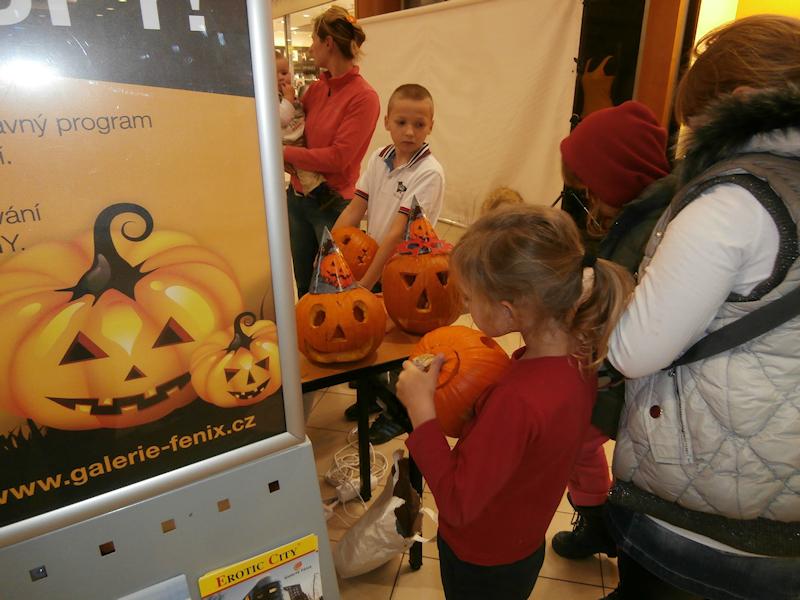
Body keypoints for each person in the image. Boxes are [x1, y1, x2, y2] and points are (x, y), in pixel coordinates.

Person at [605, 15, 800, 600]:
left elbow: (634, 350)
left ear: (737, 101)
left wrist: (609, 291)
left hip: (705, 507)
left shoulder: (734, 200)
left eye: (694, 123)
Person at [396, 205, 633, 600]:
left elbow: (457, 502)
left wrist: (422, 413)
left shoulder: (517, 400)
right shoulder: (581, 360)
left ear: (507, 310)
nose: (466, 307)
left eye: (469, 298)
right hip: (521, 545)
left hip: (480, 558)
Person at [552, 100, 674, 560]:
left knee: (577, 442)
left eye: (594, 188)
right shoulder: (635, 215)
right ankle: (597, 517)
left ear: (621, 174)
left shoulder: (653, 226)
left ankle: (600, 522)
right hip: (608, 369)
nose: (590, 199)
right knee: (581, 446)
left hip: (620, 375)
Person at [333, 83, 444, 443]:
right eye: (401, 122)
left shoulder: (429, 172)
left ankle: (399, 413)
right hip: (375, 264)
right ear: (387, 122)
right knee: (371, 337)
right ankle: (373, 396)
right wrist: (331, 254)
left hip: (409, 275)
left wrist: (365, 283)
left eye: (419, 124)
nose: (409, 131)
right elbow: (355, 209)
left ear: (430, 126)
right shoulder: (379, 157)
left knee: (400, 348)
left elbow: (397, 233)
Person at [283, 6, 380, 297]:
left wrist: (282, 152)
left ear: (328, 43)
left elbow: (338, 159)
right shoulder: (315, 90)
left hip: (333, 204)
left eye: (314, 39)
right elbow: (300, 138)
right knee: (304, 287)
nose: (310, 47)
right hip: (298, 199)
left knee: (335, 291)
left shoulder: (364, 98)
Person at [275, 51, 325, 196]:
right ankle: (316, 190)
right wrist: (288, 99)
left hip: (297, 136)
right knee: (304, 170)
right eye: (275, 74)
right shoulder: (272, 97)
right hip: (289, 140)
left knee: (303, 166)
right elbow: (283, 118)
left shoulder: (285, 94)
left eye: (284, 73)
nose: (281, 78)